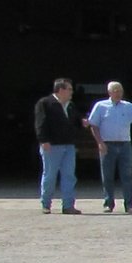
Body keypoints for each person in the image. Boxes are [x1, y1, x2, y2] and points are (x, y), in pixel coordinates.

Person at [87, 81, 132, 214]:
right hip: (107, 144)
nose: (118, 93)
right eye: (115, 90)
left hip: (125, 144)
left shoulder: (128, 106)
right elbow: (94, 125)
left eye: (120, 90)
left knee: (127, 175)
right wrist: (100, 142)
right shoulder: (101, 106)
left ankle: (129, 205)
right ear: (109, 92)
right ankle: (108, 204)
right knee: (107, 175)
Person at [34, 77, 81, 214]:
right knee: (50, 175)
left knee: (69, 175)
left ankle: (68, 205)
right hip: (52, 145)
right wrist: (43, 140)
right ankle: (46, 204)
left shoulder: (70, 105)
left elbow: (76, 122)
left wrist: (82, 122)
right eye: (69, 89)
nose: (72, 92)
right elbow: (40, 122)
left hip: (69, 145)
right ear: (60, 90)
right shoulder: (45, 103)